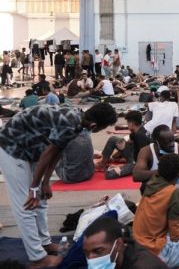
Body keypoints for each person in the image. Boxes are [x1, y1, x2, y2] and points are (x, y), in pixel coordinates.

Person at [0, 103, 117, 268]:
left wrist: (45, 183)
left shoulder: (78, 120)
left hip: (30, 148)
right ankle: (37, 258)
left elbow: (57, 151)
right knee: (26, 204)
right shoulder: (70, 123)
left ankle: (45, 243)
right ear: (94, 125)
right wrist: (33, 187)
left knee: (41, 199)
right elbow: (48, 154)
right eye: (102, 128)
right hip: (11, 147)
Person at [133, 125, 179, 229]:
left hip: (177, 190)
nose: (172, 144)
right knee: (145, 186)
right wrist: (163, 170)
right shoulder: (147, 151)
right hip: (156, 190)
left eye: (172, 140)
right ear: (156, 142)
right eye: (167, 142)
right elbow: (136, 175)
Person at [83, 216, 168, 269]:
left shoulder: (141, 266)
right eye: (86, 253)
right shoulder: (117, 258)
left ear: (118, 244)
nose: (90, 258)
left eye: (97, 251)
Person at [97, 110, 150, 179]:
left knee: (109, 174)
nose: (127, 125)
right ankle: (103, 163)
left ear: (131, 124)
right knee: (113, 139)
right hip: (133, 154)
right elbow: (129, 144)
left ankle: (119, 163)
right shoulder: (136, 131)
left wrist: (121, 166)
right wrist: (115, 155)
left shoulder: (140, 136)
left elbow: (144, 158)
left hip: (137, 162)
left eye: (127, 123)